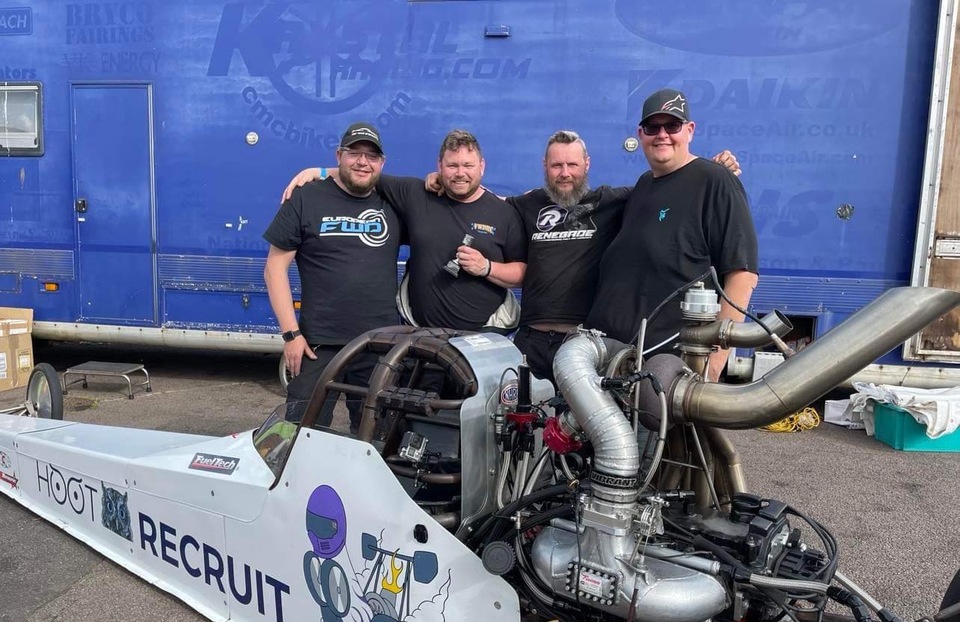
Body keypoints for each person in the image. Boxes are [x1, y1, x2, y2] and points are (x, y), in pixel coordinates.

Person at [423, 131, 739, 385]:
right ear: (545, 166)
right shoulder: (527, 205)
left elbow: (666, 189)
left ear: (586, 164)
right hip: (530, 341)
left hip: (581, 342)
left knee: (576, 430)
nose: (565, 174)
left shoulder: (611, 201)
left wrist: (710, 171)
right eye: (556, 166)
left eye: (572, 165)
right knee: (514, 424)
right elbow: (481, 199)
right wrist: (442, 180)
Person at [584, 88, 759, 382]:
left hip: (667, 372)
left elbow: (742, 274)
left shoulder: (715, 181)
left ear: (690, 130)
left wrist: (712, 364)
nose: (662, 135)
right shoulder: (644, 185)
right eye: (653, 127)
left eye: (672, 126)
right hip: (616, 365)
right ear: (640, 134)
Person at [283, 130, 527, 333]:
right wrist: (320, 172)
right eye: (452, 165)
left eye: (468, 165)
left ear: (481, 166)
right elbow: (365, 174)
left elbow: (522, 273)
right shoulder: (415, 193)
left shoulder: (503, 212)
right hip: (420, 336)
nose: (460, 173)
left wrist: (486, 267)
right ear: (439, 166)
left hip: (483, 336)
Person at [263, 121, 401, 430]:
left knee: (376, 437)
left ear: (382, 163)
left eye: (371, 156)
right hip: (317, 345)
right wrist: (291, 335)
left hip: (379, 344)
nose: (363, 162)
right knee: (301, 433)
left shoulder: (394, 201)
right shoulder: (306, 198)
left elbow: (441, 192)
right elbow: (274, 269)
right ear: (339, 156)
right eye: (354, 153)